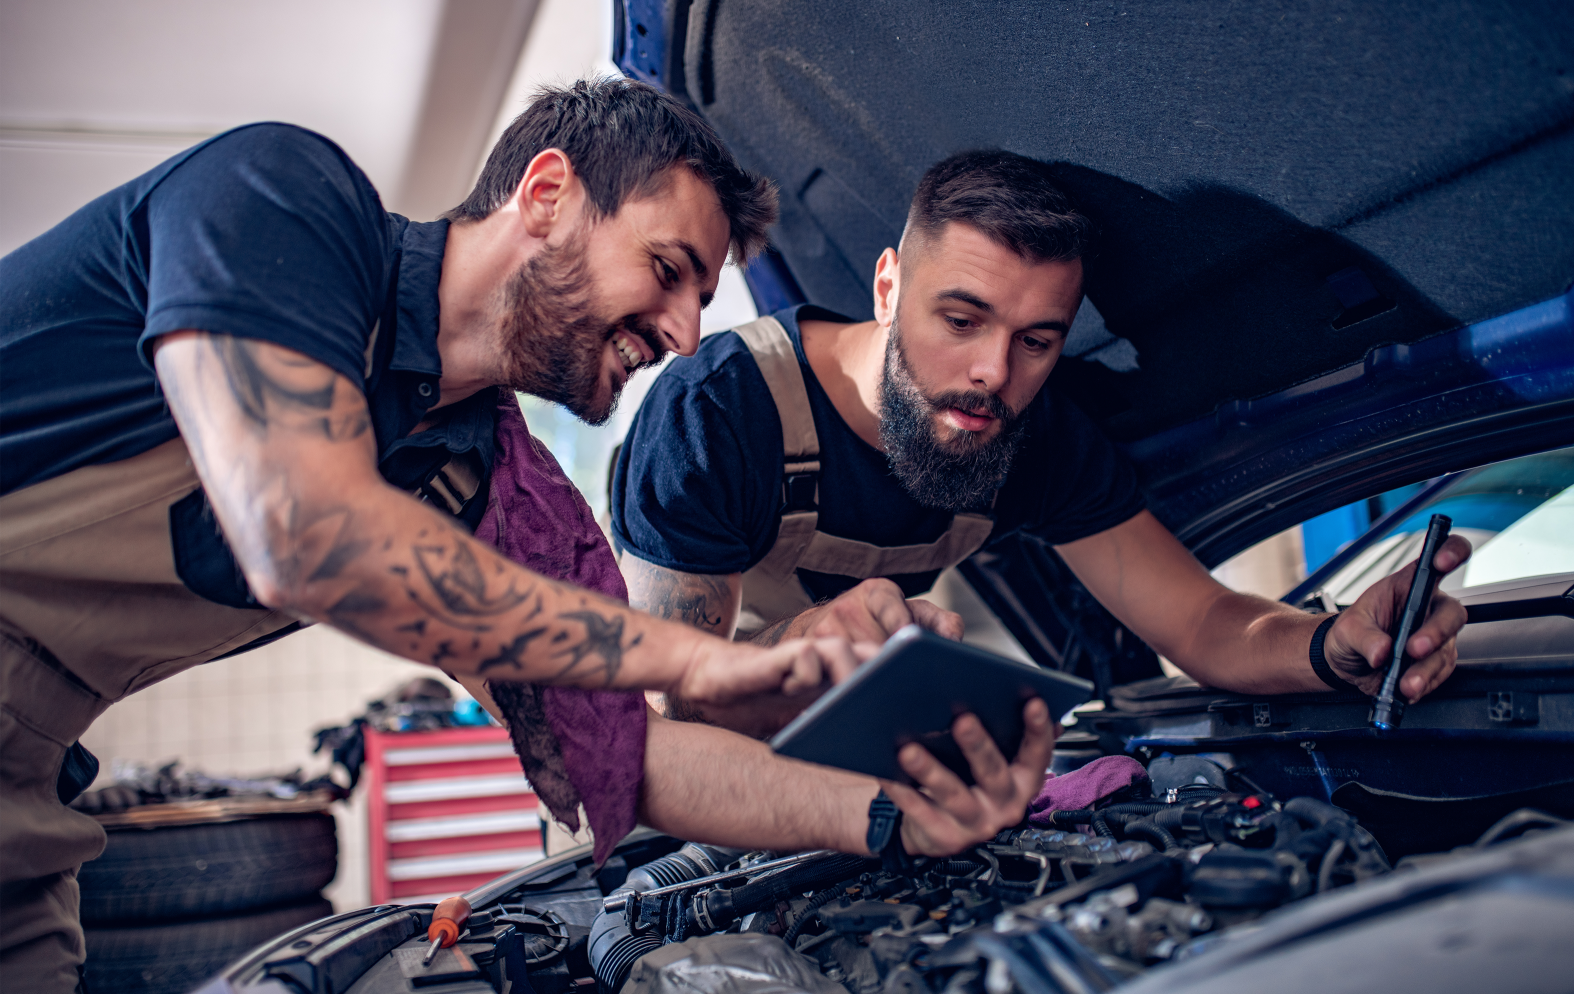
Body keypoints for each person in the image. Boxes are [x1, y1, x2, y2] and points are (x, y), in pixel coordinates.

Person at [0, 81, 1050, 994]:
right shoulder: (280, 199)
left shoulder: (500, 489)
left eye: (706, 296)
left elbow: (622, 759)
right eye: (670, 267)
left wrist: (886, 811)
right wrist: (699, 654)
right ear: (546, 195)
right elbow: (301, 526)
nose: (686, 332)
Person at [612, 149, 1472, 729]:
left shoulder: (1039, 438)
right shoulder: (719, 413)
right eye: (961, 317)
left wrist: (1333, 645)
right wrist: (803, 648)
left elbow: (1204, 621)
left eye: (1038, 340)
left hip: (853, 777)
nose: (994, 371)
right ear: (887, 286)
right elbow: (663, 704)